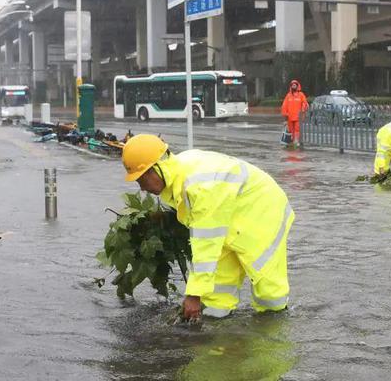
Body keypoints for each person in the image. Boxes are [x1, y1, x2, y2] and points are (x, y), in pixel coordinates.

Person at [122, 134, 294, 320]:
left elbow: (206, 244)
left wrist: (193, 295)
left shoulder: (201, 187)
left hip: (262, 212)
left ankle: (275, 328)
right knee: (216, 294)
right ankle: (217, 335)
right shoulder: (178, 174)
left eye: (141, 181)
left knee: (268, 292)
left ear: (155, 169)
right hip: (228, 217)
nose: (142, 188)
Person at [281, 79, 308, 145]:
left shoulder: (301, 95)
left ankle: (296, 141)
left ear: (297, 86)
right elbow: (284, 106)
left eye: (295, 85)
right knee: (290, 130)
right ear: (291, 86)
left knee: (297, 130)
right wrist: (285, 118)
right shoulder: (288, 96)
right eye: (292, 85)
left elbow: (304, 103)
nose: (294, 86)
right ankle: (292, 141)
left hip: (298, 117)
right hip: (290, 117)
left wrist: (302, 111)